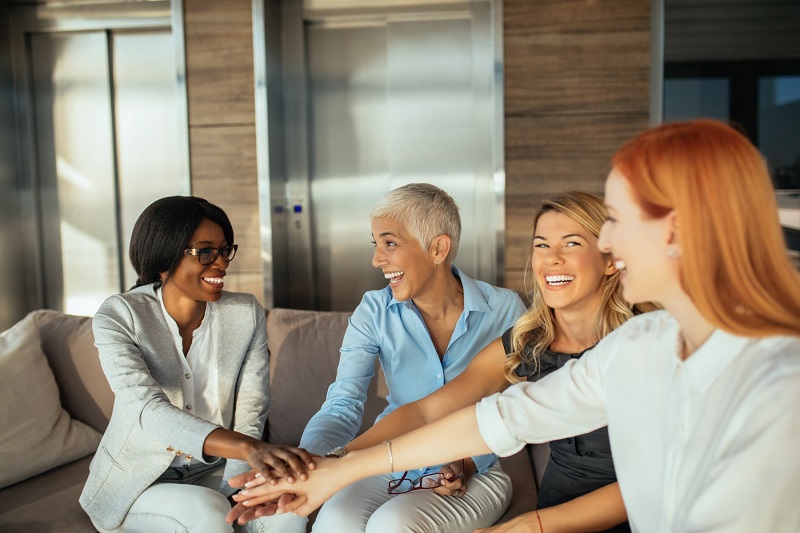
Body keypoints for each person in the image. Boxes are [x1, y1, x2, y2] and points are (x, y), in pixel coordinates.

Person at [230, 120, 800, 532]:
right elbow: (504, 417)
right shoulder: (641, 346)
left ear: (675, 232)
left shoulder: (778, 384)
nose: (605, 242)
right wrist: (333, 472)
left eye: (617, 220)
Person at [230, 191, 655, 532]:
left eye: (572, 243)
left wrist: (529, 521)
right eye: (542, 245)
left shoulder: (643, 347)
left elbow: (649, 483)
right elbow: (431, 410)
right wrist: (330, 465)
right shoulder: (529, 342)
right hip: (554, 502)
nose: (551, 259)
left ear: (611, 260)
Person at [255, 183, 526, 533]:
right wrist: (313, 463)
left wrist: (470, 462)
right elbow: (343, 404)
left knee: (392, 524)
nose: (376, 259)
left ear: (438, 248)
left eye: (390, 243)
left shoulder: (506, 311)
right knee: (334, 521)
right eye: (376, 244)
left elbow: (519, 406)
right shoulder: (373, 310)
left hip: (477, 469)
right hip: (387, 459)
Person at [79, 196, 314, 533]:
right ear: (165, 255)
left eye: (223, 250)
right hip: (141, 481)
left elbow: (251, 409)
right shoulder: (120, 315)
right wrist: (250, 449)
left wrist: (240, 483)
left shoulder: (244, 313)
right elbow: (147, 411)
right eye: (205, 252)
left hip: (217, 471)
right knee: (206, 511)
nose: (220, 263)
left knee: (288, 511)